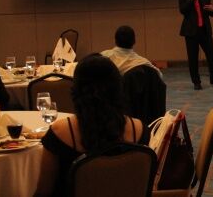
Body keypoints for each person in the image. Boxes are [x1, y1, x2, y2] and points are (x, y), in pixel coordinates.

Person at [34, 54, 148, 197]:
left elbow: (43, 191)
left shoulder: (59, 133)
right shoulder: (139, 130)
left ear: (76, 90)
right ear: (118, 88)